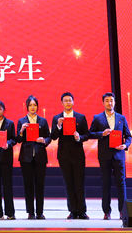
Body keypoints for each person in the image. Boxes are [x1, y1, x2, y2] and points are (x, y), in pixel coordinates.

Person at [89, 92, 132, 220]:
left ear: (114, 102)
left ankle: (122, 211)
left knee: (121, 183)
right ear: (103, 103)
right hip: (105, 156)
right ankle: (106, 212)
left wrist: (125, 145)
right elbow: (90, 133)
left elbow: (128, 136)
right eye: (107, 100)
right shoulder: (97, 118)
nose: (110, 103)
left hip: (119, 155)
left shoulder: (121, 118)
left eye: (111, 100)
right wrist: (101, 134)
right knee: (105, 184)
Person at [51, 92, 90, 220]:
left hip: (78, 154)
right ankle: (73, 211)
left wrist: (79, 137)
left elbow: (86, 135)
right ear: (62, 103)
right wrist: (58, 126)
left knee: (80, 183)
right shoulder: (57, 118)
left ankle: (82, 211)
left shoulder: (81, 117)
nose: (68, 102)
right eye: (65, 100)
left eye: (70, 100)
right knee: (68, 184)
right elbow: (53, 136)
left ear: (73, 102)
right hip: (64, 155)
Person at [16, 95, 51, 220]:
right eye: (30, 105)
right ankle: (30, 212)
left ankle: (40, 212)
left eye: (34, 105)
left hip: (40, 156)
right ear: (27, 107)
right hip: (26, 157)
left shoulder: (43, 121)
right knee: (28, 185)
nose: (32, 107)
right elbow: (18, 139)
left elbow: (49, 136)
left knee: (40, 185)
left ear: (37, 107)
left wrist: (44, 140)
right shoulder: (21, 121)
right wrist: (21, 131)